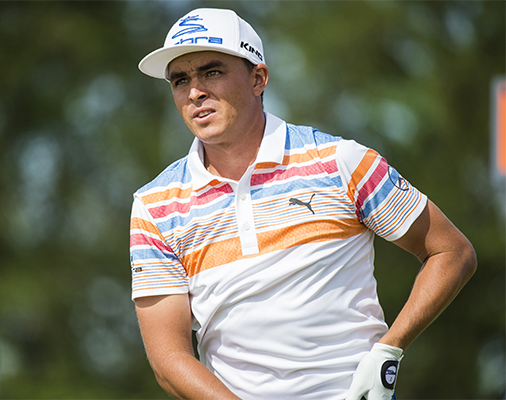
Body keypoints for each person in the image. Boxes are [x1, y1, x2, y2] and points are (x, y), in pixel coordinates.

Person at [129, 8, 476, 400]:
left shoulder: (341, 161)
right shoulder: (154, 206)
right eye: (180, 80)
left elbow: (451, 251)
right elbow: (168, 358)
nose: (195, 92)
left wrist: (389, 350)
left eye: (212, 72)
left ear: (258, 78)